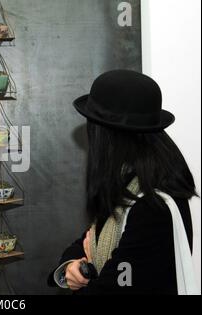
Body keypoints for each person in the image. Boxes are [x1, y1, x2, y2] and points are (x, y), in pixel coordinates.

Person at [48, 70, 198, 295]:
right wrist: (70, 266)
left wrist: (89, 276)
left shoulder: (152, 207)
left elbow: (117, 284)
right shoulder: (130, 185)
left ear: (104, 135)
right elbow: (88, 240)